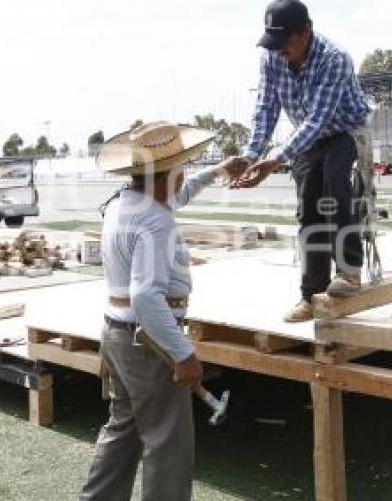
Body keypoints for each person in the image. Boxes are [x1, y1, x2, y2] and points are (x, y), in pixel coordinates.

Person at [80, 121, 245, 501]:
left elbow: (179, 195)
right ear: (168, 172)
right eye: (181, 166)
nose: (184, 173)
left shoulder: (126, 201)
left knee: (123, 431)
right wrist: (183, 353)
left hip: (118, 336)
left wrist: (219, 172)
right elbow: (146, 298)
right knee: (168, 445)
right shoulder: (154, 220)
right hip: (146, 342)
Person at [232, 0, 371, 322]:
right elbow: (267, 107)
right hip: (305, 137)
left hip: (345, 130)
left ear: (306, 31)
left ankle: (349, 270)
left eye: (286, 43)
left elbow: (318, 119)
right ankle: (311, 294)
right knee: (308, 208)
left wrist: (276, 159)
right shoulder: (272, 57)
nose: (281, 51)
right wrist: (252, 154)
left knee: (335, 183)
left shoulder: (334, 59)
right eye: (275, 43)